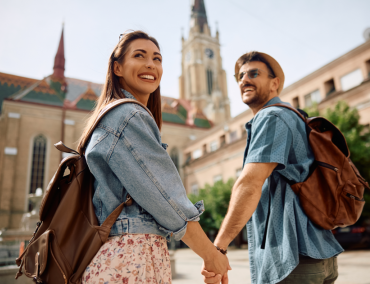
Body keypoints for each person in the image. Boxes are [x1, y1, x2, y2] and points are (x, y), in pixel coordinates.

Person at [79, 31, 230, 284]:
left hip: (128, 255)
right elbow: (165, 196)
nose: (151, 64)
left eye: (157, 59)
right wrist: (210, 254)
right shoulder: (127, 115)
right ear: (117, 67)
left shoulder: (115, 115)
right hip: (129, 257)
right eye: (139, 55)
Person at [203, 51, 343, 284]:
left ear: (274, 83)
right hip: (317, 253)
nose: (244, 80)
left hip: (293, 259)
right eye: (240, 76)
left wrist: (218, 247)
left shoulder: (272, 117)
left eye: (254, 73)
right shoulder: (293, 116)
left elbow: (249, 184)